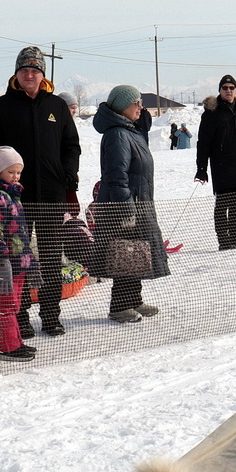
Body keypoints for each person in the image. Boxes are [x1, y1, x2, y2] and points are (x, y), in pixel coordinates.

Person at [0, 46, 81, 337]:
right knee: (17, 261)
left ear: (42, 75)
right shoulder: (0, 106)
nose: (29, 74)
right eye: (24, 70)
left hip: (51, 195)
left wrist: (68, 172)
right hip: (13, 199)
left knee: (51, 259)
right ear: (16, 74)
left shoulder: (57, 106)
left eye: (35, 70)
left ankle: (51, 315)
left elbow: (71, 144)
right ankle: (20, 317)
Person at [94, 83, 168, 324]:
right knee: (124, 254)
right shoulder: (117, 134)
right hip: (126, 206)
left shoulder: (129, 130)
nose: (140, 107)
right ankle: (119, 306)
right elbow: (117, 175)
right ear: (124, 106)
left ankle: (133, 299)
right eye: (136, 103)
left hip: (139, 202)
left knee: (137, 252)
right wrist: (126, 209)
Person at [195, 74, 236, 251]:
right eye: (225, 88)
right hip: (222, 167)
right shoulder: (211, 113)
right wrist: (201, 168)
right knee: (223, 205)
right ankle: (224, 240)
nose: (228, 90)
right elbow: (203, 142)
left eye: (231, 88)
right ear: (220, 90)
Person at [0, 147, 39, 362]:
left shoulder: (12, 194)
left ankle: (15, 341)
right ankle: (7, 347)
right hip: (6, 261)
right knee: (6, 304)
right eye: (11, 172)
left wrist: (31, 263)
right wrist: (2, 260)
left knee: (15, 304)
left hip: (19, 260)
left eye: (18, 172)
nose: (16, 177)